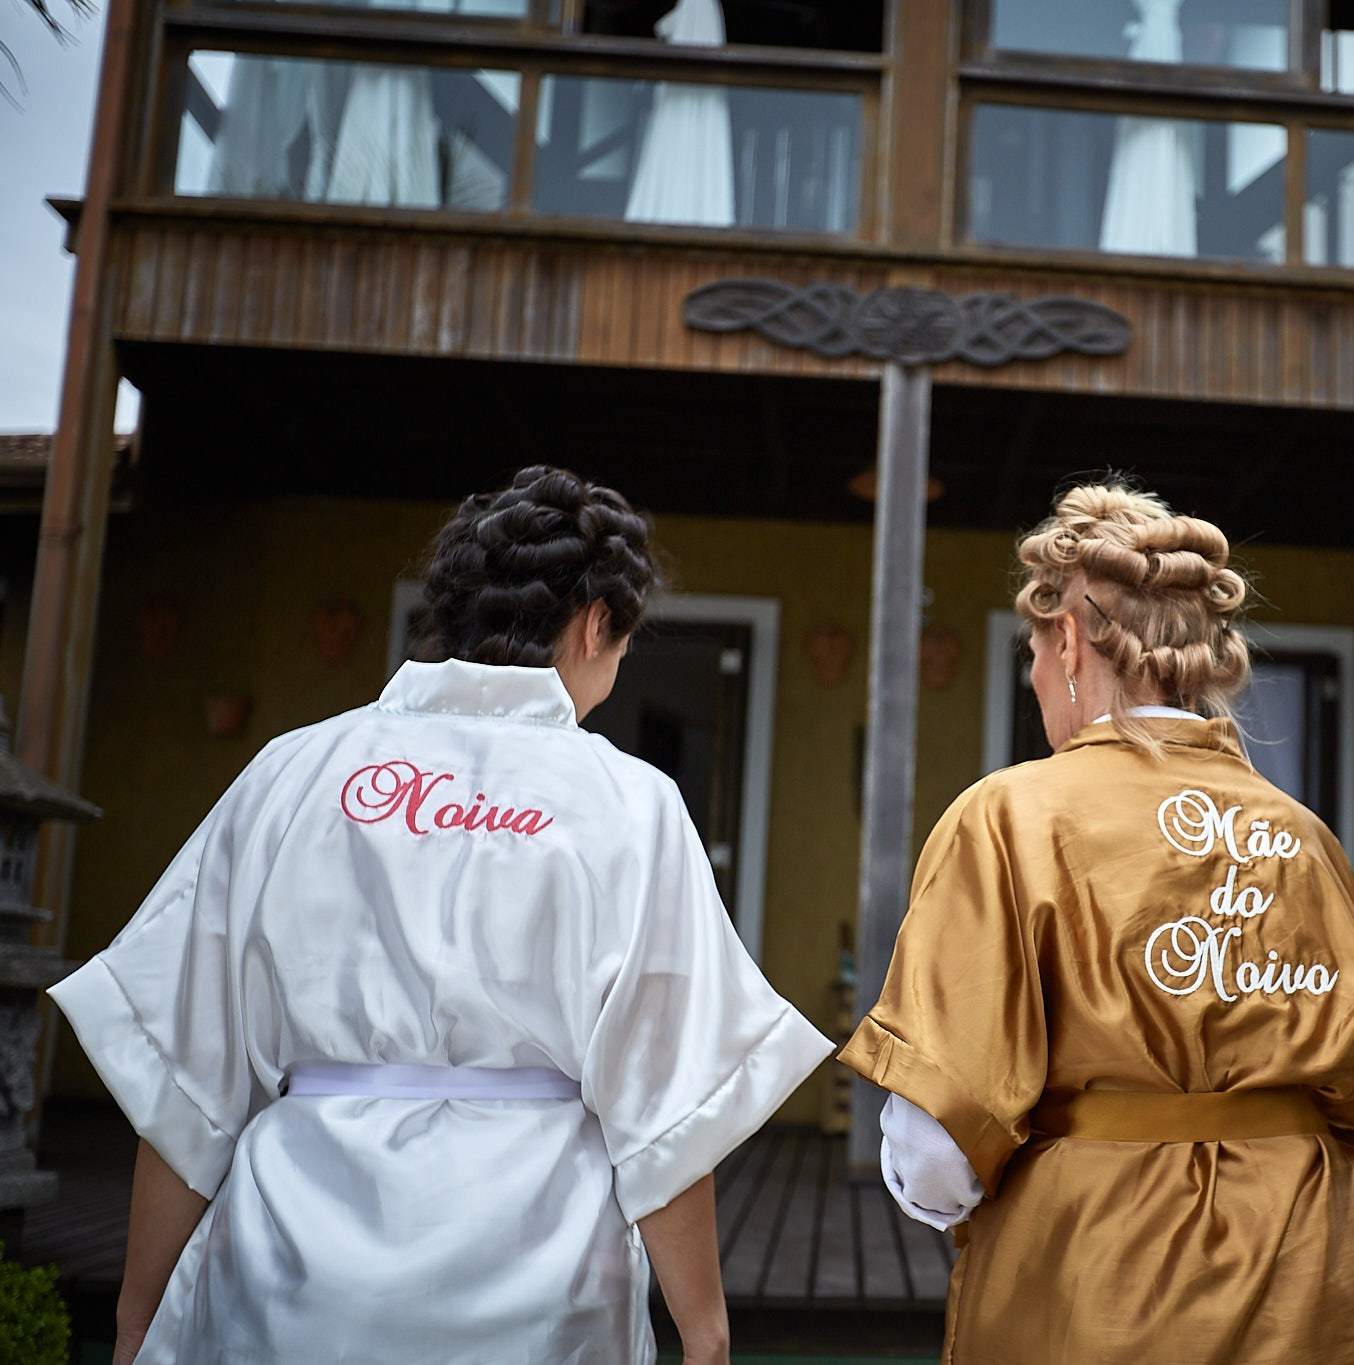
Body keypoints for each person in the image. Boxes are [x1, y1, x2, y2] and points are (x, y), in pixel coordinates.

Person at [50, 466, 831, 1365]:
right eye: (622, 645)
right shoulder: (630, 801)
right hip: (537, 1269)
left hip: (292, 1257)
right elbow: (661, 1110)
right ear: (591, 624)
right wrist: (705, 1330)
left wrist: (137, 1313)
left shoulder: (292, 771)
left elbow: (189, 1082)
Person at [841, 481, 1354, 1364]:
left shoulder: (1008, 815)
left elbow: (936, 1149)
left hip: (1097, 1269)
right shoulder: (1301, 833)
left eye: (1034, 651)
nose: (1036, 676)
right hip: (1316, 1274)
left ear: (1068, 640)